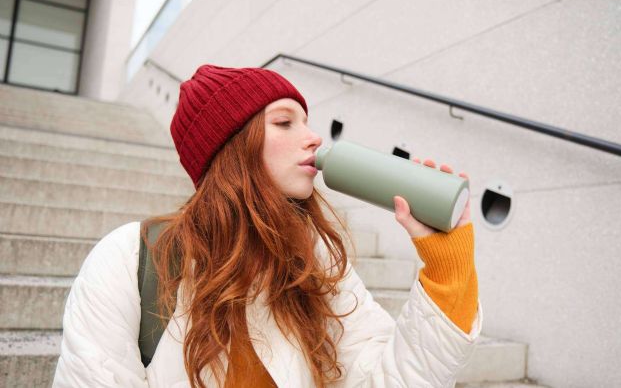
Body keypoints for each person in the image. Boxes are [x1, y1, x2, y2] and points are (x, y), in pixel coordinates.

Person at [53, 64, 482, 387]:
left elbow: (389, 379)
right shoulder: (129, 260)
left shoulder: (313, 261)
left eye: (307, 121)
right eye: (284, 121)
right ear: (231, 148)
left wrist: (446, 267)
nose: (313, 137)